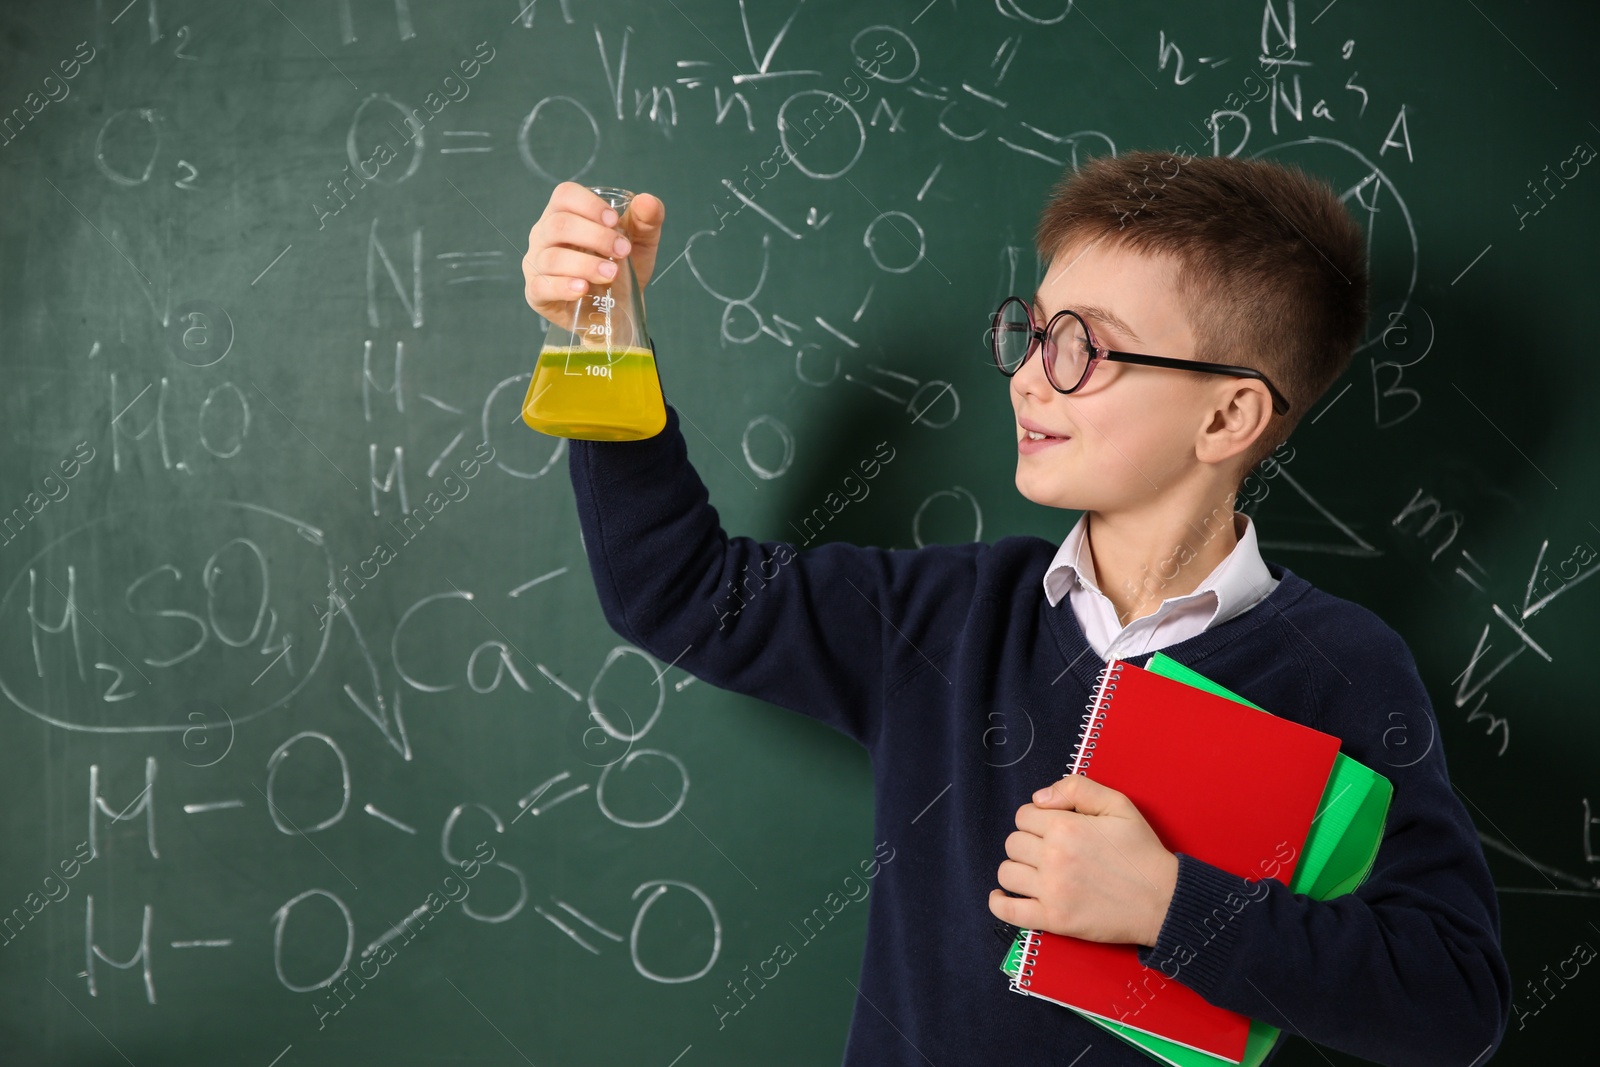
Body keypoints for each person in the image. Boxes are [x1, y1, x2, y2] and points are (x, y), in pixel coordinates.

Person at [521, 156, 1511, 1066]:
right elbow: (680, 592)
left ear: (1225, 416)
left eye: (1086, 346)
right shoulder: (952, 613)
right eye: (1035, 330)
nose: (1033, 374)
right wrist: (600, 335)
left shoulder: (1337, 667)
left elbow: (1451, 1000)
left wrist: (1170, 903)